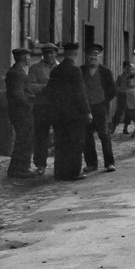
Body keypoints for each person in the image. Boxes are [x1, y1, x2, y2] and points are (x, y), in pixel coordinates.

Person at [45, 41, 91, 181]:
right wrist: (87, 111)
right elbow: (80, 93)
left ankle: (60, 172)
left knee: (61, 143)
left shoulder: (55, 70)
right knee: (75, 143)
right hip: (74, 115)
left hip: (58, 114)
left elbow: (50, 91)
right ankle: (73, 172)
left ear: (64, 53)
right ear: (75, 54)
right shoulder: (75, 70)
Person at [82, 44, 116, 173]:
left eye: (95, 55)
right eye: (90, 55)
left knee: (104, 135)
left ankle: (109, 163)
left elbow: (112, 90)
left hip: (100, 108)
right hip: (86, 108)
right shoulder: (81, 70)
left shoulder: (105, 71)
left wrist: (103, 101)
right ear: (86, 56)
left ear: (100, 57)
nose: (93, 57)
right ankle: (91, 164)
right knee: (87, 136)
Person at [28, 42, 59, 176]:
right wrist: (47, 88)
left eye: (51, 52)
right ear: (43, 54)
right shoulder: (35, 68)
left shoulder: (60, 67)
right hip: (41, 106)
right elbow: (31, 86)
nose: (49, 55)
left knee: (60, 135)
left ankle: (60, 163)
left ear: (56, 53)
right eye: (46, 52)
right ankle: (40, 164)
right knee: (41, 136)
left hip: (57, 106)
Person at [5, 48, 35, 178]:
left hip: (19, 111)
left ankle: (20, 168)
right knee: (23, 140)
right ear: (24, 58)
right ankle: (18, 169)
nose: (29, 59)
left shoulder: (16, 71)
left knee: (24, 139)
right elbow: (18, 94)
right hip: (21, 112)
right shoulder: (18, 73)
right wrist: (29, 105)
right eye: (28, 57)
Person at [117, 61, 135, 135]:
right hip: (129, 95)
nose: (131, 71)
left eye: (133, 70)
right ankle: (132, 127)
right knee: (129, 112)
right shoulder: (127, 77)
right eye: (130, 70)